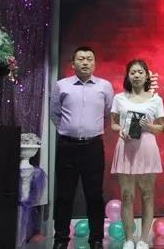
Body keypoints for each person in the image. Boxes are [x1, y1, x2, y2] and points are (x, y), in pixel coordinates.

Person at [50, 46, 114, 249]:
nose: (85, 62)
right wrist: (68, 130)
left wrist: (90, 130)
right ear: (73, 63)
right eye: (81, 59)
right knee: (64, 195)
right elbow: (55, 113)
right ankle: (61, 239)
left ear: (94, 63)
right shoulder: (61, 85)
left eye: (89, 59)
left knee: (94, 195)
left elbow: (107, 115)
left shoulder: (104, 86)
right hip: (67, 146)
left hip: (93, 147)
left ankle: (96, 239)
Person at [110, 59, 164, 249]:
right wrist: (120, 130)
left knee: (147, 194)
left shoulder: (156, 99)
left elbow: (161, 127)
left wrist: (148, 126)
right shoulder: (119, 98)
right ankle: (128, 239)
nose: (136, 75)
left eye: (140, 72)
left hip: (147, 147)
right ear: (128, 76)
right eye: (133, 72)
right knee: (126, 195)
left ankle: (143, 239)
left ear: (147, 75)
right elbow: (113, 123)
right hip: (126, 146)